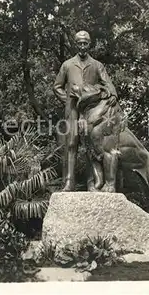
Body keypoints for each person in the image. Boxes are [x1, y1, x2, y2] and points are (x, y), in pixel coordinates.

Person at [53, 30, 118, 192]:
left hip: (91, 112)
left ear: (89, 44)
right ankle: (69, 182)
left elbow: (108, 85)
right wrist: (68, 100)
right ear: (76, 44)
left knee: (91, 145)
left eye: (85, 43)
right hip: (73, 111)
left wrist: (113, 94)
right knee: (71, 143)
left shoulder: (97, 65)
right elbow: (57, 87)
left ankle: (92, 183)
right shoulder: (67, 65)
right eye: (80, 43)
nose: (82, 46)